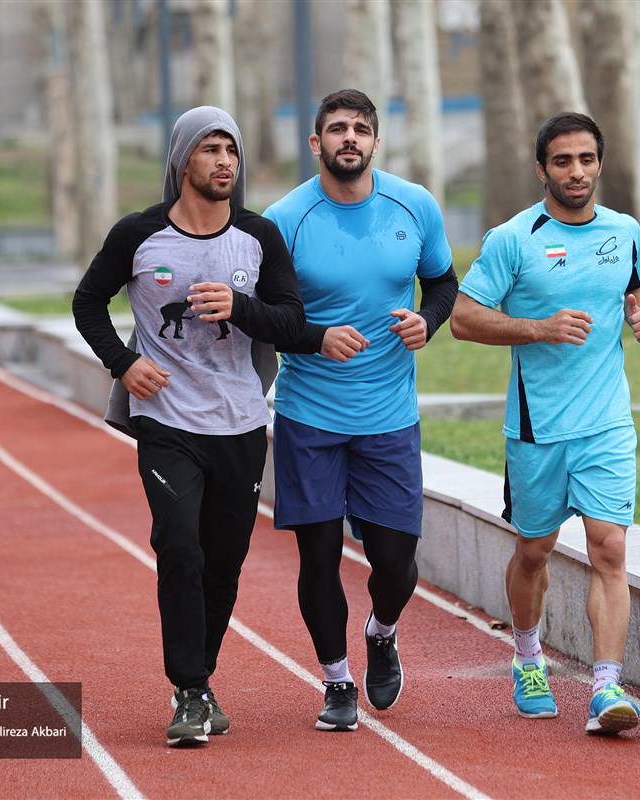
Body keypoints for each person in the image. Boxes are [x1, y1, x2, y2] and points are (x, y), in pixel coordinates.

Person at [72, 106, 305, 747]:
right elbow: (88, 302)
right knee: (179, 546)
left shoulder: (258, 236)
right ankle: (191, 689)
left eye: (231, 149)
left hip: (239, 420)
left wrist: (241, 307)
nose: (224, 161)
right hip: (166, 420)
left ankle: (198, 679)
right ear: (182, 160)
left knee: (223, 563)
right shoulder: (138, 234)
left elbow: (291, 321)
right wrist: (123, 363)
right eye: (210, 148)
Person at [449, 111, 640, 735]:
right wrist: (538, 328)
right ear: (542, 170)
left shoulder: (624, 231)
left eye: (586, 159)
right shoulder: (513, 239)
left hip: (607, 421)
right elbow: (463, 318)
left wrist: (639, 315)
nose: (576, 171)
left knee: (610, 549)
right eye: (562, 161)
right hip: (538, 430)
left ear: (600, 163)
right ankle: (528, 657)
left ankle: (606, 687)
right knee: (533, 551)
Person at [262, 89, 457, 732]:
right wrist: (315, 337)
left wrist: (428, 321)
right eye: (337, 128)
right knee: (318, 558)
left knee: (396, 563)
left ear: (376, 141)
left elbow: (443, 283)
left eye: (361, 129)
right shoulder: (285, 220)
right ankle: (336, 679)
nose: (350, 137)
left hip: (389, 415)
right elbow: (263, 317)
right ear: (315, 143)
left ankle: (382, 630)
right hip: (309, 414)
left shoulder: (414, 205)